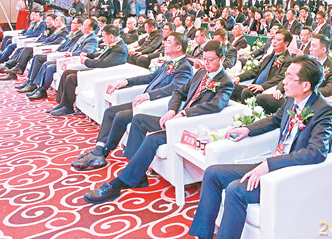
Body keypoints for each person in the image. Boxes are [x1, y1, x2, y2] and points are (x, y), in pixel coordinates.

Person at [165, 56, 332, 239]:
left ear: (306, 85)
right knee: (213, 173)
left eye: (289, 78)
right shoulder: (292, 99)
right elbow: (275, 120)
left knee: (237, 189)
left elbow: (316, 152)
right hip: (272, 165)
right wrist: (247, 129)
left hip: (288, 175)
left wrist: (269, 165)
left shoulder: (324, 110)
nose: (283, 82)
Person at [83, 41, 234, 204]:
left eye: (211, 60)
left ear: (222, 59)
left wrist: (185, 113)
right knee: (139, 119)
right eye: (204, 59)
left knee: (153, 138)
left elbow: (216, 105)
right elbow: (179, 92)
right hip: (176, 120)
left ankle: (118, 184)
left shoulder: (225, 82)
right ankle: (138, 174)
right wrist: (172, 110)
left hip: (191, 126)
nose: (206, 63)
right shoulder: (201, 74)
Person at [71, 33, 193, 169]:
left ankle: (101, 154)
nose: (164, 44)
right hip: (145, 103)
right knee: (110, 111)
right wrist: (127, 81)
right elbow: (150, 77)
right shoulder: (169, 63)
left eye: (169, 42)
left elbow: (174, 88)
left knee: (120, 116)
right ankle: (99, 149)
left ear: (178, 47)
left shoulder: (184, 67)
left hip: (155, 106)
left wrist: (149, 96)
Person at [48, 25, 129, 117]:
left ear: (111, 36)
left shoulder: (119, 49)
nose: (102, 39)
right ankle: (62, 104)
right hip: (99, 70)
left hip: (104, 74)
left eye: (104, 37)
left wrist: (86, 61)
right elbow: (102, 55)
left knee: (71, 78)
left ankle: (68, 107)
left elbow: (103, 63)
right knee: (66, 72)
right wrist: (88, 55)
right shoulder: (115, 44)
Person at [256, 34, 332, 114]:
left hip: (308, 103)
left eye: (313, 46)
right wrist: (278, 90)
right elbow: (288, 77)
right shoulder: (306, 62)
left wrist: (305, 92)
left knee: (262, 99)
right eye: (310, 46)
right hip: (290, 98)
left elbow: (330, 89)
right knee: (260, 99)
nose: (310, 49)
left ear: (323, 50)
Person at [23, 18, 99, 99]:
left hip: (76, 60)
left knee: (50, 67)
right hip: (70, 58)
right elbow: (72, 47)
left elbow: (85, 52)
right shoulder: (84, 36)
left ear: (91, 28)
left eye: (84, 25)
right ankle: (39, 88)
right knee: (46, 64)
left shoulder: (92, 39)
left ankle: (42, 90)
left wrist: (71, 54)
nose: (82, 27)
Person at [231, 29, 293, 103]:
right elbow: (256, 70)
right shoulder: (269, 56)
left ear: (286, 43)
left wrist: (262, 87)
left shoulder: (288, 60)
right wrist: (239, 77)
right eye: (274, 39)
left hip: (266, 90)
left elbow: (281, 77)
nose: (274, 41)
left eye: (278, 40)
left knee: (246, 92)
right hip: (255, 86)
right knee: (232, 86)